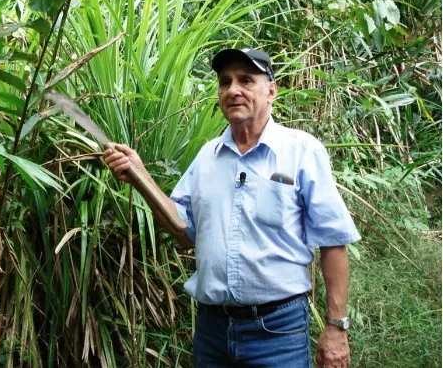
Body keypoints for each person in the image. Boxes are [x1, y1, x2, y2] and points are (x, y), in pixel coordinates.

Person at [103, 48, 361, 368]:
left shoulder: (301, 152)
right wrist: (139, 176)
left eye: (246, 80)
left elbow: (333, 240)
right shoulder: (207, 158)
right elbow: (184, 232)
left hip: (277, 331)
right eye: (225, 82)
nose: (233, 89)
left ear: (271, 90)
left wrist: (336, 327)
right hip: (212, 331)